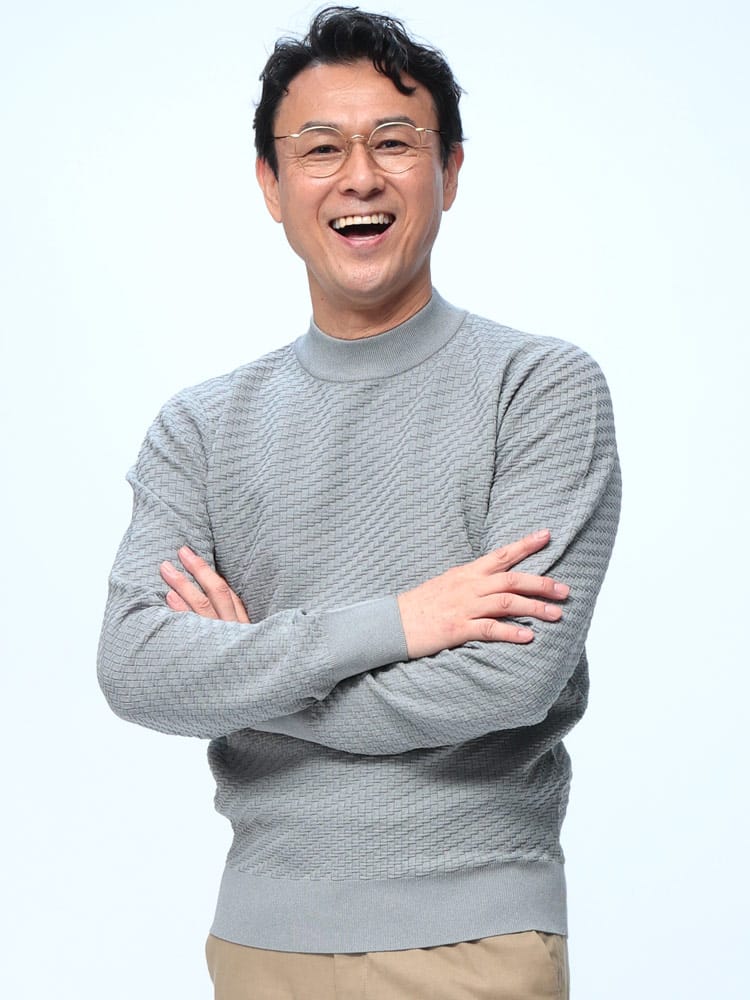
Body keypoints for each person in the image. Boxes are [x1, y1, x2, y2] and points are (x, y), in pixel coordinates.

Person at [98, 7, 621, 998]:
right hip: (259, 944)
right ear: (271, 184)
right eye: (320, 148)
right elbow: (135, 668)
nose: (360, 177)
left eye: (394, 142)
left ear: (450, 170)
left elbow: (507, 681)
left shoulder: (539, 387)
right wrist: (401, 623)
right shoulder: (199, 426)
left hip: (476, 942)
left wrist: (249, 676)